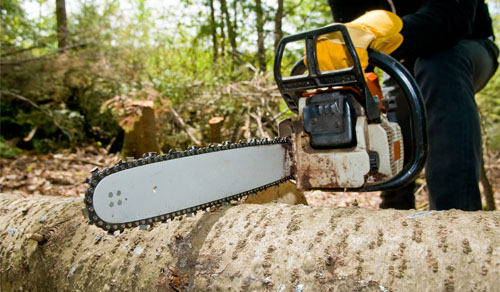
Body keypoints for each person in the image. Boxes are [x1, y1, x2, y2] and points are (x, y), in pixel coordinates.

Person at [323, 0, 499, 210]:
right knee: (394, 108)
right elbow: (352, 32)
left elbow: (451, 18)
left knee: (438, 66)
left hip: (464, 45)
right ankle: (395, 207)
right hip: (403, 60)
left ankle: (455, 212)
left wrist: (389, 33)